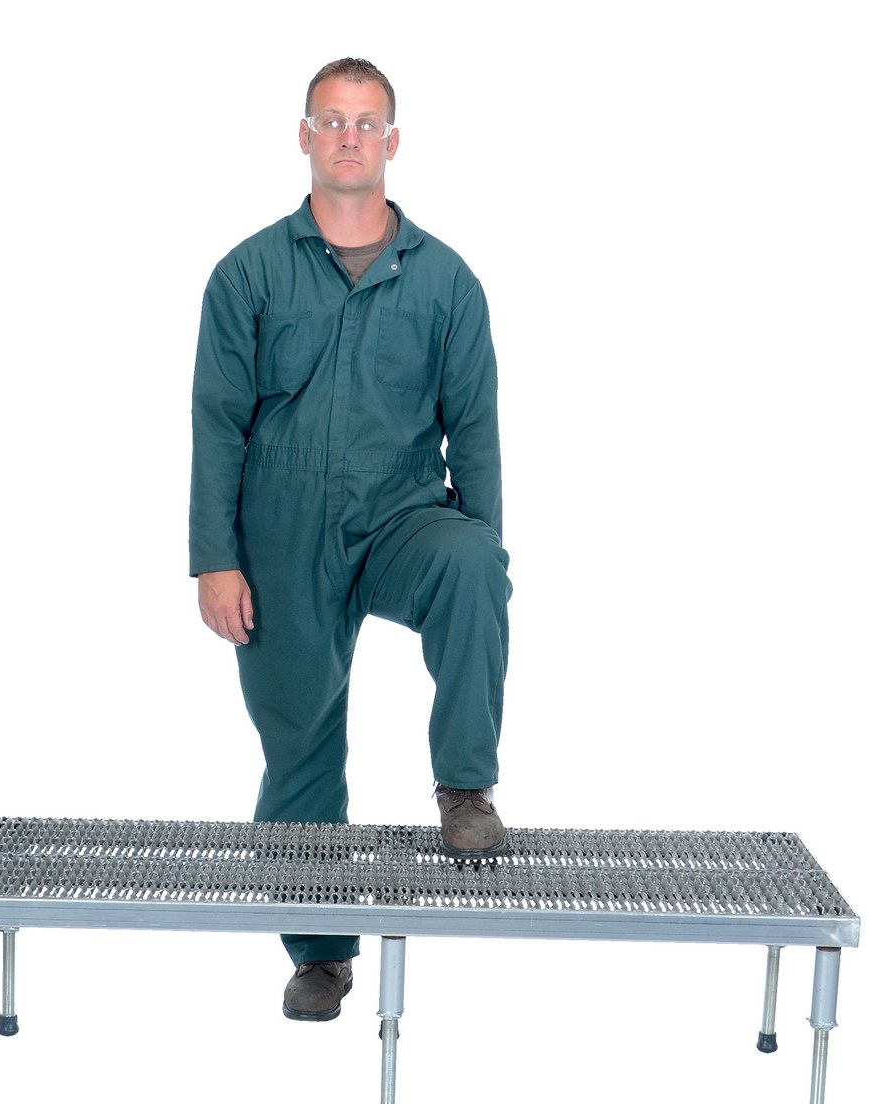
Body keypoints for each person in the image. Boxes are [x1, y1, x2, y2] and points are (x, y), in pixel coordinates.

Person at [190, 57, 512, 1021]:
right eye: (330, 120)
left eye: (366, 123)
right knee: (299, 744)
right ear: (304, 136)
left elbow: (476, 429)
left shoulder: (447, 282)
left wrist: (487, 558)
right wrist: (215, 558)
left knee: (470, 562)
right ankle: (321, 952)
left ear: (392, 142)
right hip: (280, 529)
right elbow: (217, 423)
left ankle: (465, 789)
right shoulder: (247, 273)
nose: (347, 137)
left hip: (403, 514)